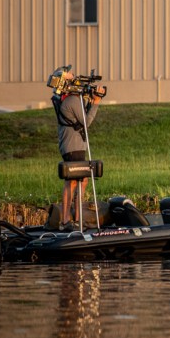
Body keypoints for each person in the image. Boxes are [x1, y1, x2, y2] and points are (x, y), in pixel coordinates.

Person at [50, 66, 104, 230]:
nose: (76, 80)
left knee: (82, 180)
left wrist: (90, 101)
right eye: (72, 78)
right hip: (72, 146)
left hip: (73, 145)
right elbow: (86, 122)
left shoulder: (68, 99)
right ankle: (66, 221)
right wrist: (96, 102)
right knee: (73, 181)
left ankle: (77, 219)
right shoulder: (72, 100)